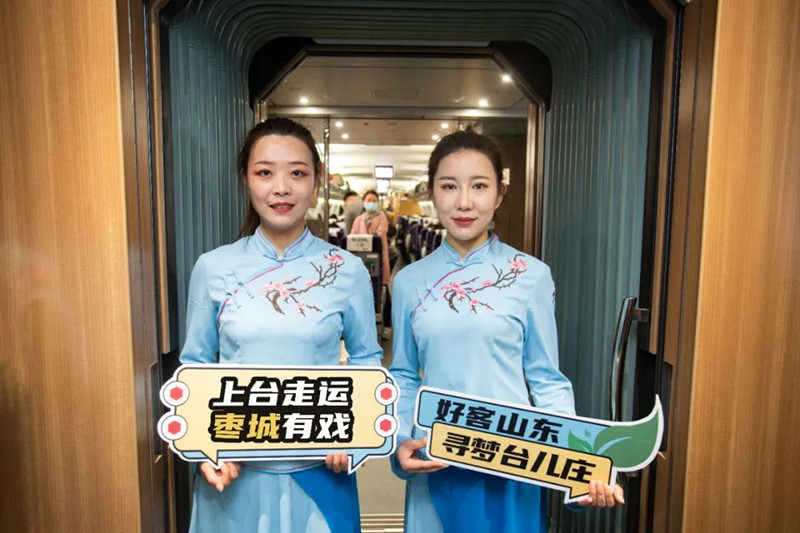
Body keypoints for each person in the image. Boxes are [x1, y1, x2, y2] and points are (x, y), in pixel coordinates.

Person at [389, 131, 624, 532]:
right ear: (432, 193)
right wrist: (399, 441)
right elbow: (405, 375)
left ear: (500, 194)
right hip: (436, 455)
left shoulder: (530, 275)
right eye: (449, 186)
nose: (464, 202)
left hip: (513, 460)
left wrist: (580, 465)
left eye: (479, 186)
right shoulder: (410, 281)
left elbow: (546, 380)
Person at [180, 117, 382, 532]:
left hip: (320, 474)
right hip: (235, 478)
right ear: (245, 179)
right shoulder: (213, 267)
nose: (281, 188)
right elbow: (195, 366)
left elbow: (367, 360)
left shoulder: (346, 269)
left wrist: (355, 436)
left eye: (298, 173)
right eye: (265, 173)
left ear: (318, 181)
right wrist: (204, 449)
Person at [351, 190, 391, 287]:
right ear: (364, 202)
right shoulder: (358, 219)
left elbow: (379, 235)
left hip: (377, 254)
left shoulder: (382, 217)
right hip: (360, 255)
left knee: (377, 283)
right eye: (368, 200)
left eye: (374, 201)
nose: (371, 203)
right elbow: (352, 237)